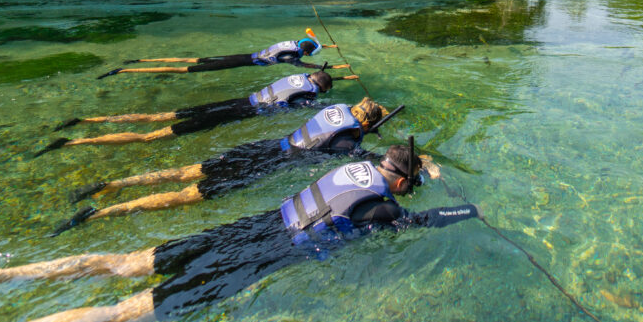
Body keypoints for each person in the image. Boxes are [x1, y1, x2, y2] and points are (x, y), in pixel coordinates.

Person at [0, 145, 479, 322]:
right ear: (401, 181)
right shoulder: (385, 208)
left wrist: (421, 164)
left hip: (251, 226)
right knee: (123, 314)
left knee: (125, 263)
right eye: (413, 181)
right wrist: (469, 210)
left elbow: (391, 157)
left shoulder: (355, 164)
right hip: (256, 256)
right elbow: (422, 220)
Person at [49, 98, 428, 234]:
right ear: (367, 124)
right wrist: (423, 162)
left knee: (186, 172)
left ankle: (110, 184)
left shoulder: (338, 110)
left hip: (264, 146)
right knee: (187, 196)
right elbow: (358, 159)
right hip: (264, 168)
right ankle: (102, 213)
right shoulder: (351, 140)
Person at [35, 70, 358, 156]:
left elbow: (306, 87)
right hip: (233, 114)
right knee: (151, 138)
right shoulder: (311, 92)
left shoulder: (298, 78)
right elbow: (308, 105)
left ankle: (86, 121)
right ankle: (71, 143)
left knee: (157, 117)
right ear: (322, 88)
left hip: (237, 99)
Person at [96, 29, 341, 79]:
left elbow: (309, 46)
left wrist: (324, 47)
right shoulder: (294, 55)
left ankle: (138, 61)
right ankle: (126, 70)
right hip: (244, 63)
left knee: (193, 60)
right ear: (304, 51)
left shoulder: (294, 41)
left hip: (245, 54)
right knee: (188, 69)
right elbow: (300, 66)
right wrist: (326, 70)